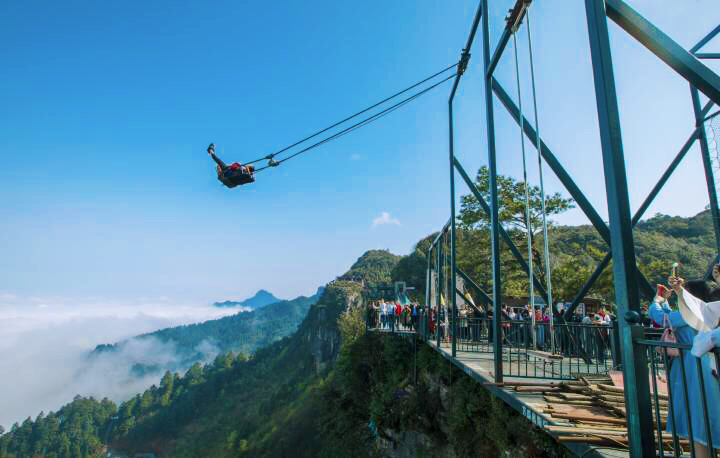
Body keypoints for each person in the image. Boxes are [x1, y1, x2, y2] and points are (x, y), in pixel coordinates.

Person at [654, 276, 720, 456]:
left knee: (697, 418)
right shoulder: (712, 312)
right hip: (712, 365)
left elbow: (660, 317)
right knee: (712, 414)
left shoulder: (685, 314)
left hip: (692, 366)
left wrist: (658, 301)